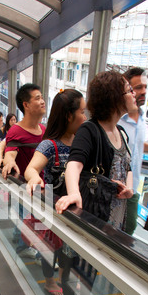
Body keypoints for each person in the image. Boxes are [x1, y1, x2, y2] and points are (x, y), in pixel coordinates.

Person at [25, 89, 86, 295]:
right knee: (48, 249)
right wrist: (34, 178)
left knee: (66, 252)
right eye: (82, 111)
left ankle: (63, 279)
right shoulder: (49, 145)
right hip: (51, 210)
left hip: (72, 211)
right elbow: (31, 169)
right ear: (69, 116)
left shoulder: (83, 142)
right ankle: (50, 281)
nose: (85, 117)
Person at [55, 70, 135, 233]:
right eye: (129, 90)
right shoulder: (90, 130)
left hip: (117, 218)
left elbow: (128, 167)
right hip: (95, 216)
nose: (134, 94)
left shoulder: (122, 133)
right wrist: (73, 193)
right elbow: (74, 165)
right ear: (114, 97)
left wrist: (129, 189)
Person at [2, 83, 47, 258]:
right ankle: (23, 247)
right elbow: (10, 153)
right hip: (25, 188)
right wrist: (8, 161)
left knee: (27, 219)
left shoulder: (44, 129)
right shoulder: (16, 130)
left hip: (42, 187)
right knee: (28, 219)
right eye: (37, 98)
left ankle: (19, 238)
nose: (43, 101)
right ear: (25, 105)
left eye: (42, 97)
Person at [119, 67, 148, 235]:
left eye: (145, 86)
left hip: (133, 188)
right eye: (138, 88)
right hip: (114, 190)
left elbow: (138, 145)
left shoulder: (142, 117)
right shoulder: (118, 119)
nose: (143, 91)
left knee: (129, 229)